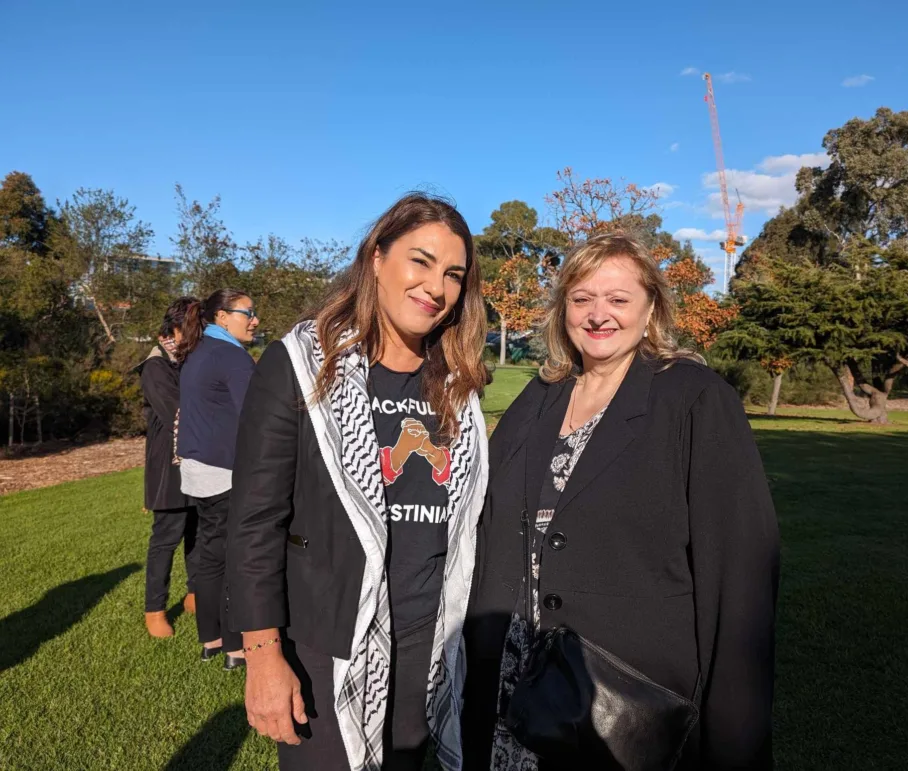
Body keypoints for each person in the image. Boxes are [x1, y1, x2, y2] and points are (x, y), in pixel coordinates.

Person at [463, 232, 780, 770]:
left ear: (651, 306)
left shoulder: (694, 398)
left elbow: (740, 570)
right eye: (582, 298)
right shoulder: (539, 397)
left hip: (621, 695)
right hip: (516, 676)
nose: (597, 315)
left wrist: (735, 733)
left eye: (617, 299)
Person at [226, 193, 489, 771]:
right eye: (420, 261)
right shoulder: (300, 365)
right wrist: (264, 658)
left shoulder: (459, 386)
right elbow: (252, 526)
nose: (436, 287)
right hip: (330, 649)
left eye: (453, 274)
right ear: (376, 258)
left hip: (431, 645)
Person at [177, 288, 259, 669]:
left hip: (198, 470)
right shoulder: (231, 357)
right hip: (226, 472)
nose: (255, 320)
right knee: (234, 559)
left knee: (210, 557)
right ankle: (234, 646)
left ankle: (210, 639)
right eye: (248, 313)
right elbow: (257, 419)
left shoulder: (198, 352)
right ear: (222, 317)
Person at [137, 296, 201, 638]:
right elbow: (179, 412)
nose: (197, 334)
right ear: (174, 327)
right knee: (166, 538)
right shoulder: (156, 366)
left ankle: (194, 594)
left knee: (198, 531)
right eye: (193, 327)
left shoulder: (188, 361)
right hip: (168, 467)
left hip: (198, 461)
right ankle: (155, 609)